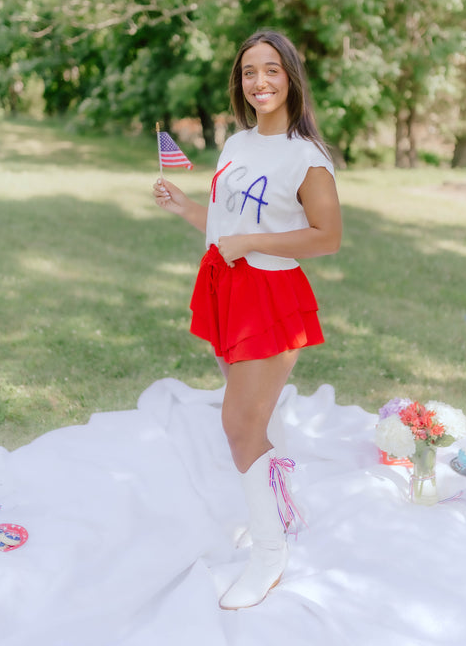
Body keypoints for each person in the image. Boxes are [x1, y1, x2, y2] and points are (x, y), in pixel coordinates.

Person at [153, 30, 342, 610]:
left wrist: (251, 242)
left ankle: (269, 554)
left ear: (290, 78)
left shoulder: (306, 157)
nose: (259, 82)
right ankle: (277, 510)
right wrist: (187, 207)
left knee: (238, 424)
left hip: (270, 294)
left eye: (271, 71)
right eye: (248, 72)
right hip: (223, 285)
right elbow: (226, 221)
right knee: (253, 415)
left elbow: (328, 237)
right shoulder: (235, 144)